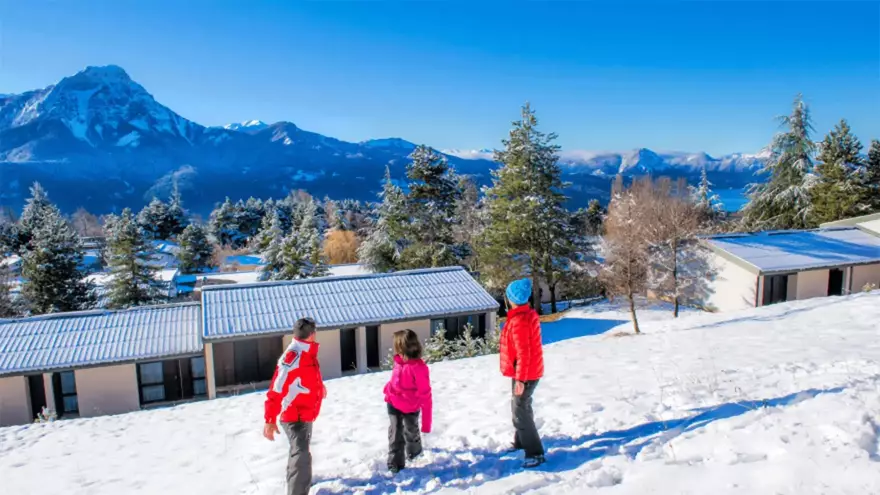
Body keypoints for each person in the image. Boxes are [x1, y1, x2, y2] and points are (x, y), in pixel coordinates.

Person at [263, 317, 327, 495]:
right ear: (312, 334)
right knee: (301, 455)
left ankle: (299, 485)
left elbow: (306, 376)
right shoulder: (293, 356)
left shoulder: (306, 351)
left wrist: (319, 387)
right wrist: (270, 419)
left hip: (304, 412)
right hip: (293, 415)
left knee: (300, 452)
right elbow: (277, 389)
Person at [499, 278, 546, 468]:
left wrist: (520, 379)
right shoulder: (524, 315)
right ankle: (521, 442)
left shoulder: (520, 321)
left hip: (525, 372)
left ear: (512, 299)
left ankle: (535, 453)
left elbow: (524, 353)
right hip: (524, 370)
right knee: (520, 406)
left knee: (520, 409)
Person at [383, 329, 433, 474]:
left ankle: (415, 455)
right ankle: (395, 464)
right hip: (393, 402)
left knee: (411, 431)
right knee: (395, 432)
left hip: (411, 405)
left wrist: (426, 424)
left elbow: (426, 396)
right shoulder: (398, 361)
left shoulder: (419, 368)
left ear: (402, 346)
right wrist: (389, 389)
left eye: (396, 345)